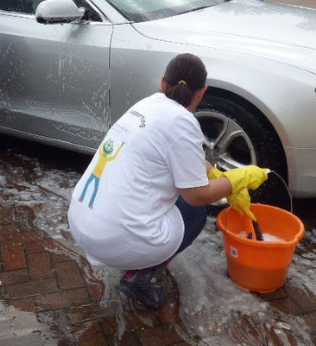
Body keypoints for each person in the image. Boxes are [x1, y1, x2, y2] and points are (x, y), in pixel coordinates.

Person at [68, 53, 268, 310]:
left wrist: (217, 174)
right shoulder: (182, 122)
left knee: (171, 195)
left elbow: (183, 156)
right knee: (194, 212)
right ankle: (140, 275)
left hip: (82, 221)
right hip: (113, 239)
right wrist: (237, 179)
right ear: (202, 92)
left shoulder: (148, 105)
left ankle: (134, 258)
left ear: (163, 83)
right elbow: (197, 195)